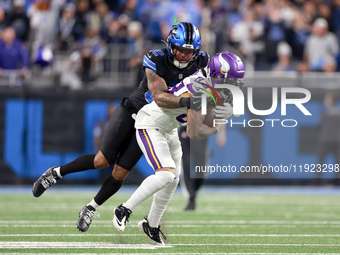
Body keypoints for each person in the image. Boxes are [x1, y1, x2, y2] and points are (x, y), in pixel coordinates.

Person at [32, 21, 208, 232]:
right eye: (180, 50)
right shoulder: (156, 59)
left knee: (120, 173)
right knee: (101, 160)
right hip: (133, 111)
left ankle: (90, 207)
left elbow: (215, 74)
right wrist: (188, 102)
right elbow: (160, 97)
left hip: (152, 123)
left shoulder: (201, 62)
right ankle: (56, 173)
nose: (184, 56)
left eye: (189, 52)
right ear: (170, 45)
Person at [112, 51, 245, 245]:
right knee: (166, 174)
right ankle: (124, 209)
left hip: (168, 129)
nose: (232, 85)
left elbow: (232, 105)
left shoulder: (210, 84)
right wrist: (217, 125)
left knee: (173, 180)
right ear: (217, 74)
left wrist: (229, 111)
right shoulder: (198, 88)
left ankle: (152, 225)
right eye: (230, 80)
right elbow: (194, 131)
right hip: (151, 124)